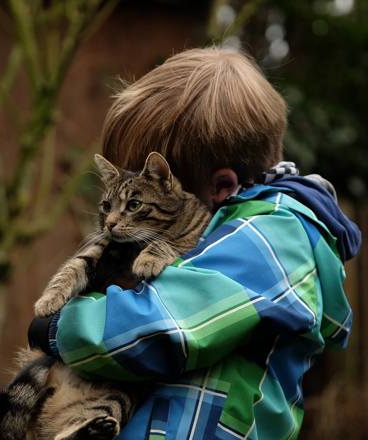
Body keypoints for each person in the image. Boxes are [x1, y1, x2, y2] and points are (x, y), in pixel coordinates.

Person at [28, 47, 361, 439]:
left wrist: (57, 329)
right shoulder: (234, 234)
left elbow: (161, 328)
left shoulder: (274, 237)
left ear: (221, 187)